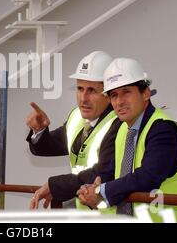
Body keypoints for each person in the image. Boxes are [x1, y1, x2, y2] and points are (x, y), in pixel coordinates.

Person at [77, 58, 177, 222]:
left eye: (126, 92)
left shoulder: (163, 129)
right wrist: (90, 189)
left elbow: (148, 176)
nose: (119, 102)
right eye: (113, 95)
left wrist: (102, 192)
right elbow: (111, 172)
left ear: (146, 93)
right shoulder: (122, 130)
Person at [26, 51, 122, 209]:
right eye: (80, 89)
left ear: (110, 93)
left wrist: (55, 186)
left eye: (91, 90)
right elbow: (48, 146)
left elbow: (103, 172)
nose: (83, 98)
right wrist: (40, 130)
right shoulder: (77, 117)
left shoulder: (120, 123)